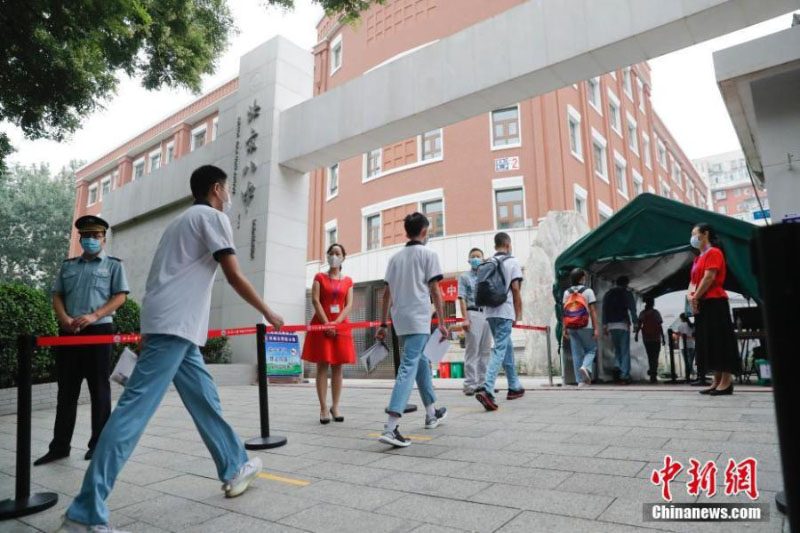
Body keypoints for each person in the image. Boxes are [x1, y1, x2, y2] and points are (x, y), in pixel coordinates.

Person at [60, 165, 285, 532]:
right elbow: (232, 273)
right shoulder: (211, 217)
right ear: (216, 188)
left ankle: (234, 466)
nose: (228, 196)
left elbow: (159, 275)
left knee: (205, 399)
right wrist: (268, 312)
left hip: (174, 327)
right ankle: (84, 511)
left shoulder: (179, 223)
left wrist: (150, 325)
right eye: (227, 189)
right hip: (175, 328)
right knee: (132, 413)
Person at [35, 216, 130, 467]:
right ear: (80, 239)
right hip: (69, 334)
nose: (89, 240)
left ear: (103, 239)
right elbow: (57, 294)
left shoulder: (113, 266)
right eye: (85, 236)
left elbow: (120, 297)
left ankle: (98, 445)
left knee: (99, 390)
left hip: (99, 331)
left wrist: (94, 315)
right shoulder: (68, 266)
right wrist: (64, 318)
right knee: (66, 391)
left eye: (95, 236)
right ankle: (59, 447)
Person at [376, 212, 448, 447]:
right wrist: (443, 323)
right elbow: (435, 291)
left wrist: (383, 323)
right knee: (410, 365)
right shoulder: (429, 254)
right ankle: (391, 425)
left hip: (400, 320)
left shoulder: (395, 258)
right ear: (424, 231)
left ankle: (431, 412)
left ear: (407, 231)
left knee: (419, 362)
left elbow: (386, 294)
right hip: (418, 318)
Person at [302, 243, 356, 423]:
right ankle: (323, 408)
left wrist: (336, 323)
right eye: (331, 253)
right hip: (321, 325)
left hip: (340, 327)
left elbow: (348, 305)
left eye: (337, 253)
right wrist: (327, 325)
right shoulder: (319, 277)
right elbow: (316, 301)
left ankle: (336, 406)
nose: (334, 255)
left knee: (338, 367)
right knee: (322, 366)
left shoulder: (348, 281)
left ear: (343, 258)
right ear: (327, 256)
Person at [688, 223, 740, 396]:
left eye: (695, 233)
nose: (693, 237)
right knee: (709, 341)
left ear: (705, 234)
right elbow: (694, 281)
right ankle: (716, 379)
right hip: (702, 303)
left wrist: (696, 297)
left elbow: (709, 277)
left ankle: (726, 380)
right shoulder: (698, 257)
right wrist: (692, 298)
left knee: (720, 340)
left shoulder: (714, 253)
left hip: (715, 301)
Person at [475, 232, 525, 411]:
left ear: (496, 245)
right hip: (504, 311)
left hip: (490, 311)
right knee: (500, 349)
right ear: (508, 244)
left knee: (506, 347)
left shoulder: (488, 262)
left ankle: (514, 387)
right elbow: (516, 290)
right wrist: (518, 313)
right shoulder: (512, 262)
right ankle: (487, 389)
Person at [457, 248, 493, 396]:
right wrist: (465, 318)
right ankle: (470, 384)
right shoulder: (464, 277)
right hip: (473, 313)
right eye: (473, 257)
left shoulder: (487, 276)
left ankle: (482, 383)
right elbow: (462, 298)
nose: (476, 258)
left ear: (483, 259)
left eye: (479, 256)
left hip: (487, 314)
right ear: (469, 260)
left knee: (485, 351)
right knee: (472, 351)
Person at [562, 268, 599, 387]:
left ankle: (580, 382)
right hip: (585, 325)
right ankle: (585, 366)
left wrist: (564, 329)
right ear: (581, 278)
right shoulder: (588, 291)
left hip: (572, 326)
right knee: (592, 349)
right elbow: (593, 311)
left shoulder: (567, 292)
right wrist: (596, 328)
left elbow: (564, 312)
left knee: (576, 353)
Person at [602, 276, 638, 385]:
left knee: (617, 349)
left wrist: (605, 325)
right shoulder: (627, 294)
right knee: (624, 350)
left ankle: (617, 366)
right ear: (626, 284)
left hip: (611, 325)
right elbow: (632, 309)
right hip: (623, 324)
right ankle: (624, 375)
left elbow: (604, 309)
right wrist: (635, 323)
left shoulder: (608, 294)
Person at [634, 297, 665, 383]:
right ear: (653, 304)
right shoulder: (656, 313)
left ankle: (652, 372)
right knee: (655, 356)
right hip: (656, 337)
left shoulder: (642, 313)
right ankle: (653, 373)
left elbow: (639, 325)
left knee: (650, 355)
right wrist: (663, 338)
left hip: (647, 338)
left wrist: (636, 335)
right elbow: (659, 326)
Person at [676, 313, 696, 382]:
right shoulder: (691, 325)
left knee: (686, 361)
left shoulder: (680, 326)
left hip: (683, 346)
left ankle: (688, 374)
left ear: (681, 318)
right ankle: (691, 373)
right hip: (692, 344)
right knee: (690, 360)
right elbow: (694, 335)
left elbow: (677, 336)